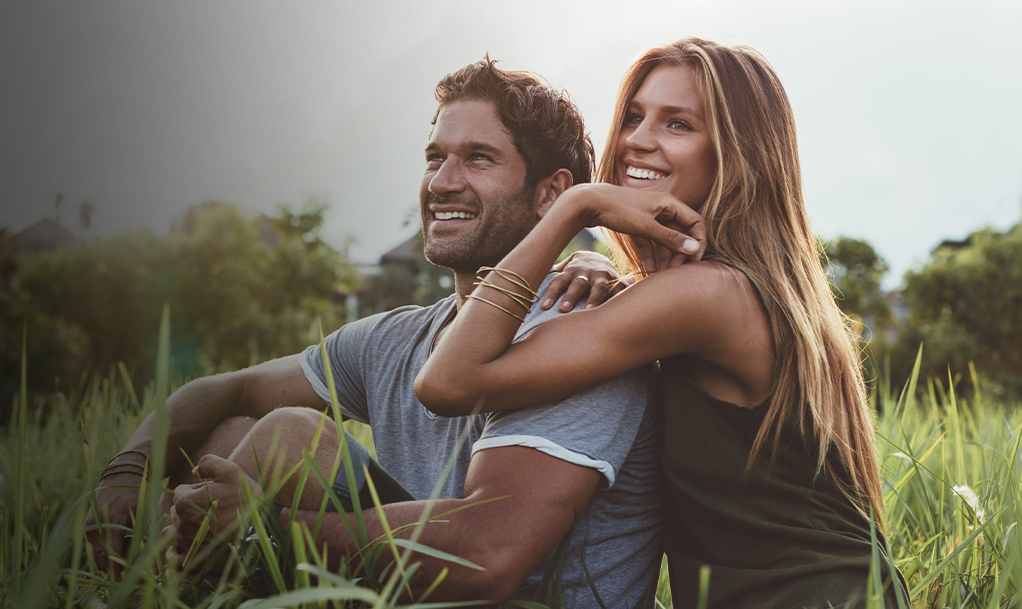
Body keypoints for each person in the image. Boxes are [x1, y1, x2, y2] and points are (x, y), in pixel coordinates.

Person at [85, 58, 686, 606]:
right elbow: (227, 389)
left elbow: (490, 557)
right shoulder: (396, 338)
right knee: (235, 434)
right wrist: (124, 476)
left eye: (478, 158)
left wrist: (260, 526)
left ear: (551, 196)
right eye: (434, 157)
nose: (442, 182)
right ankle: (142, 584)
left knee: (290, 437)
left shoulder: (579, 333)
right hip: (415, 590)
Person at [415, 38, 905, 608]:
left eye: (678, 124)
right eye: (633, 116)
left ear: (735, 154)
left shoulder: (708, 295)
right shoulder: (732, 290)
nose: (637, 140)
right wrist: (601, 261)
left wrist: (575, 209)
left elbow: (447, 381)